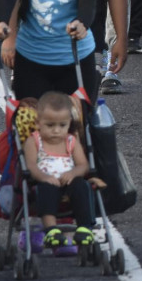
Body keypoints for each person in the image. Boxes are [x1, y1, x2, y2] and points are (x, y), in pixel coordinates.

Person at [24, 91, 95, 250]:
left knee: (82, 186)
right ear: (38, 123)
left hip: (69, 179)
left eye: (62, 125)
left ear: (69, 123)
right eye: (50, 125)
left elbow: (83, 165)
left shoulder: (71, 140)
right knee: (46, 190)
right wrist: (43, 177)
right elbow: (31, 166)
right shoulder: (34, 141)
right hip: (46, 180)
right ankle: (51, 230)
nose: (56, 130)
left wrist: (74, 173)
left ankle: (84, 227)